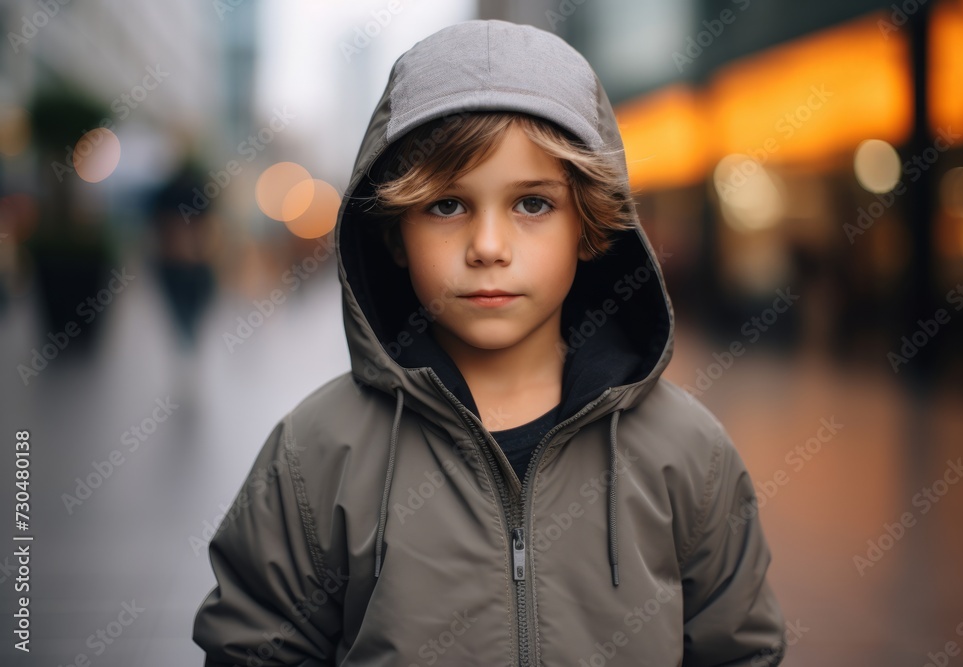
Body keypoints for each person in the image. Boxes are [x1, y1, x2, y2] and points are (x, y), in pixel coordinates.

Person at [192, 19, 786, 666]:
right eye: (446, 206)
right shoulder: (316, 454)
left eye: (532, 204)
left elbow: (739, 649)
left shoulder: (686, 454)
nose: (489, 247)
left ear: (589, 224)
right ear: (393, 234)